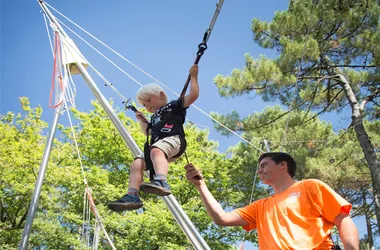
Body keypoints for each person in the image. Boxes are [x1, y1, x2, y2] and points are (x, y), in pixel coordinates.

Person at [184, 152, 359, 250]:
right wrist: (201, 185)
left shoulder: (311, 186)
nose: (259, 171)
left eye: (264, 165)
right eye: (259, 168)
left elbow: (342, 219)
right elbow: (221, 218)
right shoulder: (261, 207)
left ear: (283, 165)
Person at [108, 64, 199, 212]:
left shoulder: (173, 106)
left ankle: (162, 181)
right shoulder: (154, 118)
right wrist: (143, 121)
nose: (146, 106)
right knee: (136, 164)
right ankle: (132, 195)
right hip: (159, 147)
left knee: (156, 150)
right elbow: (148, 133)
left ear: (161, 95)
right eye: (144, 104)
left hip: (174, 140)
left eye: (148, 101)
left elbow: (193, 95)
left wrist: (194, 76)